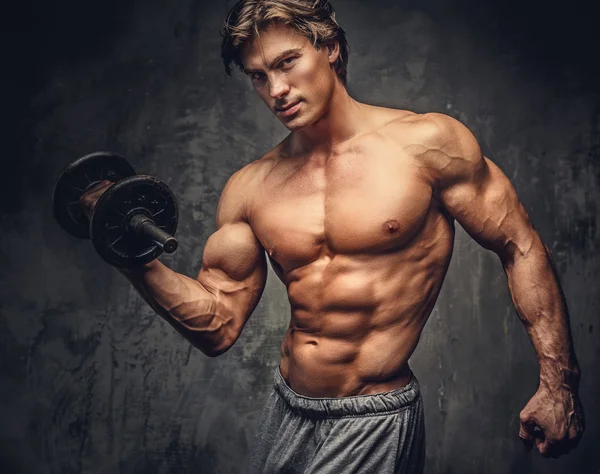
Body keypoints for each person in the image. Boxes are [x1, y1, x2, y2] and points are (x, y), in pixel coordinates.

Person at [80, 0, 584, 472]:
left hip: (373, 419)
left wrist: (557, 385)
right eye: (259, 76)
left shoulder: (426, 146)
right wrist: (130, 254)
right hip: (286, 411)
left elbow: (519, 246)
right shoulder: (250, 188)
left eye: (287, 62)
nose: (276, 89)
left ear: (330, 47)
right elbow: (218, 325)